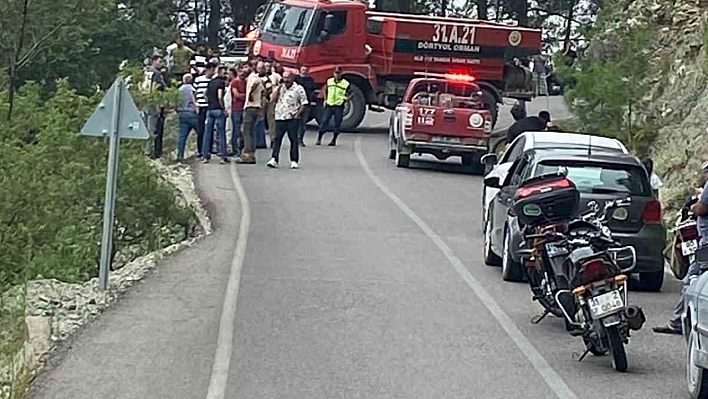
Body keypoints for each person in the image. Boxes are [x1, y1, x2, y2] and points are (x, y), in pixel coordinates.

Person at [654, 162, 708, 335]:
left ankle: (679, 321)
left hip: (706, 246)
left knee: (691, 280)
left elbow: (701, 208)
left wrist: (693, 206)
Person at [267, 71, 308, 169]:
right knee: (277, 139)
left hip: (292, 117)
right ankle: (274, 159)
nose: (286, 80)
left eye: (288, 78)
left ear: (292, 78)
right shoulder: (280, 88)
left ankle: (294, 160)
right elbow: (272, 99)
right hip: (280, 116)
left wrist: (298, 114)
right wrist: (279, 88)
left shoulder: (298, 88)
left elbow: (304, 102)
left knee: (293, 139)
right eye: (284, 78)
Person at [201, 64, 229, 164]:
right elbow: (220, 96)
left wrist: (209, 102)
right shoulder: (221, 83)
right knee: (221, 133)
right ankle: (223, 156)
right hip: (218, 109)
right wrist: (223, 108)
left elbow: (205, 94)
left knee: (207, 133)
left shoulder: (211, 82)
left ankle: (205, 156)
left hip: (210, 109)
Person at [238, 61, 265, 164]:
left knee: (246, 131)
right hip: (257, 106)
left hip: (250, 107)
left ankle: (247, 154)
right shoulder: (256, 77)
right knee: (252, 132)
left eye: (245, 67)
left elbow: (256, 84)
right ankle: (252, 154)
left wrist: (250, 94)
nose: (244, 70)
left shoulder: (253, 77)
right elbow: (263, 90)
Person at [317, 66, 350, 146]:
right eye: (335, 73)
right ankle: (319, 138)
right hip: (329, 104)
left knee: (337, 123)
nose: (337, 75)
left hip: (339, 106)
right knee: (324, 121)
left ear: (341, 73)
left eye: (338, 73)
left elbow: (351, 93)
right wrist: (325, 99)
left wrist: (345, 99)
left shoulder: (345, 83)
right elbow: (325, 89)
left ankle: (333, 140)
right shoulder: (329, 81)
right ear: (333, 73)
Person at [143, 55, 168, 158]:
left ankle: (144, 149)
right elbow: (154, 88)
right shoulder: (157, 74)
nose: (161, 64)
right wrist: (157, 104)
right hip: (153, 104)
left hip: (145, 101)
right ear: (154, 61)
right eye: (159, 61)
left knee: (145, 127)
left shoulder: (146, 72)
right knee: (152, 128)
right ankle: (149, 151)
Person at [176, 73, 199, 163]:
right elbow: (195, 100)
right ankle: (202, 152)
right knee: (200, 133)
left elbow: (176, 102)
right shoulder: (192, 89)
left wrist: (178, 110)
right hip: (192, 113)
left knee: (182, 136)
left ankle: (180, 155)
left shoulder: (179, 90)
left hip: (182, 113)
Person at [193, 62, 215, 158]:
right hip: (201, 106)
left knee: (210, 129)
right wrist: (195, 104)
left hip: (210, 106)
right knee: (200, 129)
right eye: (212, 70)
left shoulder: (214, 80)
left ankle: (208, 150)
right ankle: (200, 150)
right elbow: (193, 92)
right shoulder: (199, 79)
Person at [295, 65, 316, 147]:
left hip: (306, 104)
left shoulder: (310, 80)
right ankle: (294, 139)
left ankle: (300, 139)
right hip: (296, 103)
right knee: (294, 122)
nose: (304, 71)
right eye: (302, 70)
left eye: (305, 70)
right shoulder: (296, 79)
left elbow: (312, 90)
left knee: (303, 123)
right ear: (300, 70)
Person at [230, 64, 248, 157]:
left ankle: (241, 148)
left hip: (244, 108)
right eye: (241, 72)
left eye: (244, 72)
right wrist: (246, 95)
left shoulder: (246, 82)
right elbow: (236, 95)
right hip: (236, 108)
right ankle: (235, 149)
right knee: (236, 129)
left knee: (243, 130)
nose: (242, 74)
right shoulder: (234, 83)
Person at [264, 59, 282, 146]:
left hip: (272, 100)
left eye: (269, 66)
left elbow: (281, 86)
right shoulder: (258, 76)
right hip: (261, 100)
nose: (267, 68)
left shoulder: (276, 76)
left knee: (271, 121)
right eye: (266, 66)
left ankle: (273, 139)